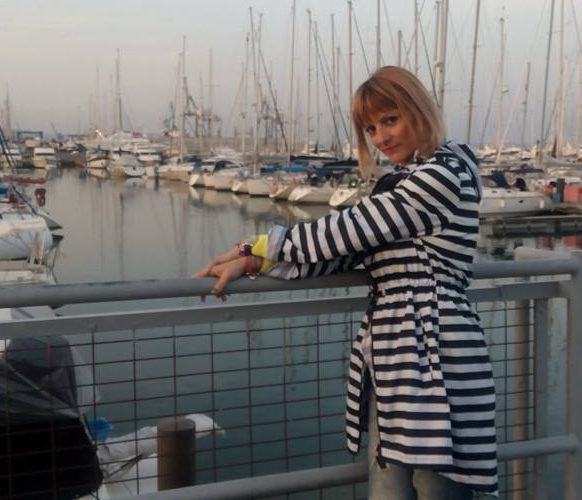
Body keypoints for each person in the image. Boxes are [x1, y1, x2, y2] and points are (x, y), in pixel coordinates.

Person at [194, 66, 497, 498]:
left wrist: (257, 243)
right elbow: (346, 251)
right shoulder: (402, 182)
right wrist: (254, 263)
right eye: (371, 128)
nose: (380, 137)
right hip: (395, 353)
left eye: (390, 120)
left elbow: (348, 229)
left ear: (419, 111)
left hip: (436, 349)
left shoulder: (444, 175)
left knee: (437, 486)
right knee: (388, 483)